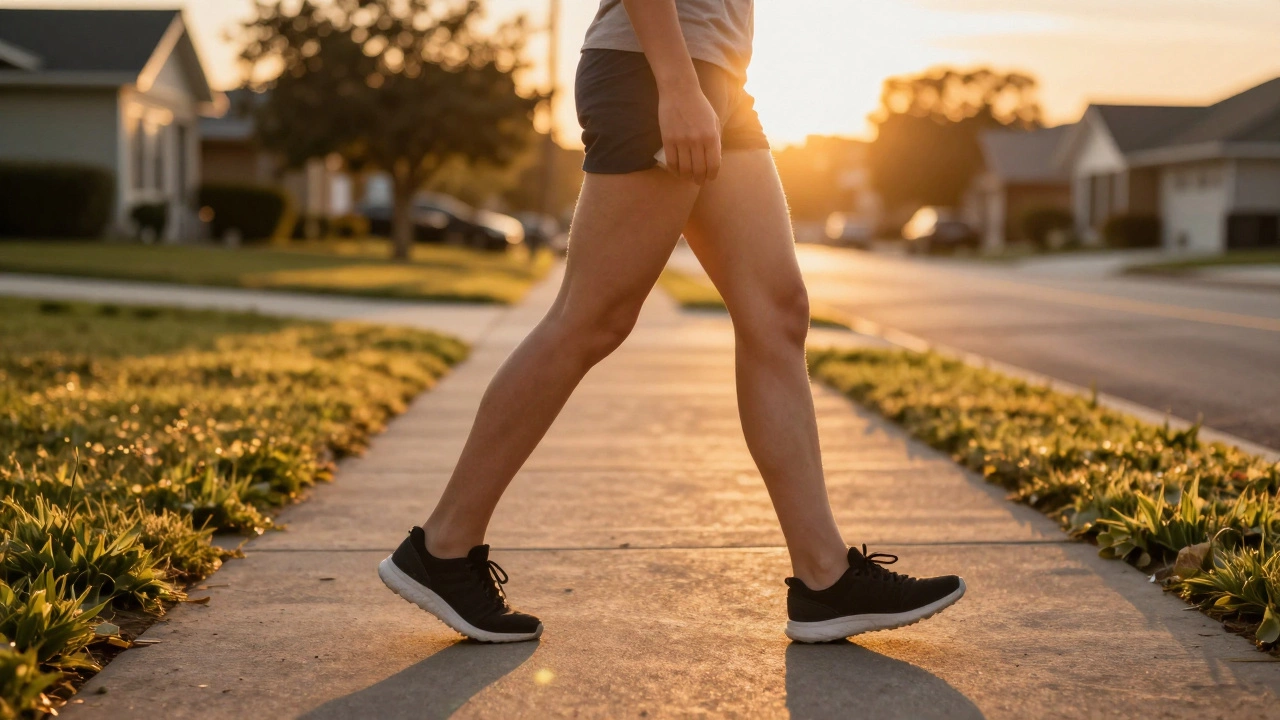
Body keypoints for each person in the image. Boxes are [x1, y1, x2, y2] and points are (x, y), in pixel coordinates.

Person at [378, 0, 965, 644]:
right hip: (658, 67)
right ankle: (444, 544)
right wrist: (678, 85)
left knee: (778, 312)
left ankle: (825, 579)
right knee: (592, 318)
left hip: (716, 73)